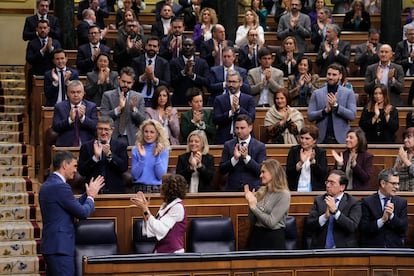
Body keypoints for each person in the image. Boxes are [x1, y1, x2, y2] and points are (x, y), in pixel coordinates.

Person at [39, 151, 105, 275]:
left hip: (52, 246)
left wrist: (88, 193)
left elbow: (71, 205)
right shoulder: (60, 187)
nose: (76, 170)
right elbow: (82, 212)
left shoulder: (48, 185)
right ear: (65, 165)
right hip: (60, 247)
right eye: (74, 166)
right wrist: (91, 197)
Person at [130, 173, 187, 253]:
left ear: (169, 189)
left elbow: (160, 229)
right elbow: (153, 229)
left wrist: (145, 209)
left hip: (173, 253)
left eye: (163, 184)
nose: (160, 187)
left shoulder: (178, 207)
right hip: (161, 251)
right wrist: (143, 209)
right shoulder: (165, 205)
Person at [305, 169, 362, 249]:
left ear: (342, 187)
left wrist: (336, 212)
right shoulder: (319, 200)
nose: (328, 185)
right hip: (320, 249)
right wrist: (325, 217)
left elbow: (352, 226)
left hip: (344, 250)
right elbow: (309, 225)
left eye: (332, 183)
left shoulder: (353, 202)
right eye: (327, 182)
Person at [244, 159, 290, 250]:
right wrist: (250, 203)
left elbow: (271, 222)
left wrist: (254, 207)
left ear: (273, 172)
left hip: (273, 239)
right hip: (257, 236)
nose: (260, 175)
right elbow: (253, 220)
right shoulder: (261, 191)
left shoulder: (284, 194)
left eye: (263, 172)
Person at [308, 63, 357, 144]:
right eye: (329, 74)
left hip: (342, 139)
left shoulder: (348, 93)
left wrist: (336, 106)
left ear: (340, 76)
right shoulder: (317, 93)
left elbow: (352, 116)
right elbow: (310, 116)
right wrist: (324, 111)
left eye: (334, 75)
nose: (330, 77)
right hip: (321, 138)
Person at [78, 116, 129, 193]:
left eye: (106, 129)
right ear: (96, 129)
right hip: (91, 191)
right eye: (100, 129)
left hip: (114, 191)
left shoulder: (120, 146)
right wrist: (95, 158)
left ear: (112, 130)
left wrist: (109, 155)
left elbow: (123, 167)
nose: (103, 132)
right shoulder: (86, 146)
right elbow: (82, 171)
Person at [360, 168, 408, 248]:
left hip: (395, 249)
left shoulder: (401, 203)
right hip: (373, 249)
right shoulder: (367, 202)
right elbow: (364, 229)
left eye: (398, 184)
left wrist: (392, 216)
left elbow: (403, 228)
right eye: (393, 184)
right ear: (383, 183)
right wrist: (382, 220)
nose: (397, 187)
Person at [100, 66, 146, 146]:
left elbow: (143, 121)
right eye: (123, 81)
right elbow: (103, 117)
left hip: (132, 138)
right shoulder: (108, 95)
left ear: (133, 83)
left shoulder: (139, 97)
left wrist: (133, 109)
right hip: (113, 137)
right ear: (119, 80)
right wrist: (118, 109)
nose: (125, 85)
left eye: (129, 83)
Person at [219, 114, 266, 191]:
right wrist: (234, 159)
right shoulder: (228, 145)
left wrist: (246, 158)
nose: (239, 131)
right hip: (232, 189)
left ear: (250, 128)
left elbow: (260, 171)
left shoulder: (260, 146)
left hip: (253, 189)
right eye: (237, 128)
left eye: (242, 128)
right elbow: (222, 170)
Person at [213, 70, 256, 144]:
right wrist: (231, 112)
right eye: (229, 82)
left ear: (240, 83)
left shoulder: (249, 99)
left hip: (245, 139)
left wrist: (239, 109)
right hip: (224, 138)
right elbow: (216, 120)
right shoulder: (219, 99)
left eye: (234, 82)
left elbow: (251, 118)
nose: (231, 85)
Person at [52, 80, 98, 147]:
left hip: (87, 145)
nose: (76, 95)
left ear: (83, 93)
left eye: (78, 92)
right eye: (73, 92)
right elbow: (55, 127)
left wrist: (83, 118)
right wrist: (70, 120)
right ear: (67, 93)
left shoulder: (91, 106)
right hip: (65, 145)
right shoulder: (59, 107)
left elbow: (95, 126)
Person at [131, 119, 170, 193]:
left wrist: (157, 157)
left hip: (156, 188)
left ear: (157, 134)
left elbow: (161, 176)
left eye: (152, 132)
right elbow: (135, 175)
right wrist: (142, 158)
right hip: (138, 188)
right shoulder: (136, 149)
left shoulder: (164, 149)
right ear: (142, 133)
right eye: (146, 131)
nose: (148, 135)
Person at [130, 37, 171, 106]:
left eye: (154, 46)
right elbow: (132, 81)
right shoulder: (136, 61)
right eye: (149, 45)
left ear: (158, 48)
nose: (151, 48)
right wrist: (144, 76)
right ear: (145, 46)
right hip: (139, 97)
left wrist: (153, 79)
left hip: (156, 98)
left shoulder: (164, 63)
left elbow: (167, 83)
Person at [169, 38, 210, 107]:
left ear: (194, 47)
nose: (187, 47)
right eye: (185, 45)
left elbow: (207, 82)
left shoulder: (202, 63)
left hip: (197, 101)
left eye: (190, 45)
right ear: (181, 47)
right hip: (179, 100)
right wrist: (184, 72)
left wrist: (193, 75)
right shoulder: (174, 62)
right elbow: (172, 82)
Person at [286, 125, 327, 191]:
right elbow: (289, 173)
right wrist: (300, 163)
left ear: (314, 140)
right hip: (295, 188)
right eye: (302, 138)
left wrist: (313, 162)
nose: (303, 141)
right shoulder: (294, 151)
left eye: (307, 138)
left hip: (315, 189)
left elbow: (322, 175)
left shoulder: (320, 152)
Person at [393, 127, 414, 191]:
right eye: (404, 138)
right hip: (401, 191)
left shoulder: (403, 156)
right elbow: (394, 174)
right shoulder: (402, 155)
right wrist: (400, 163)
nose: (405, 140)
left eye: (408, 137)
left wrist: (405, 160)